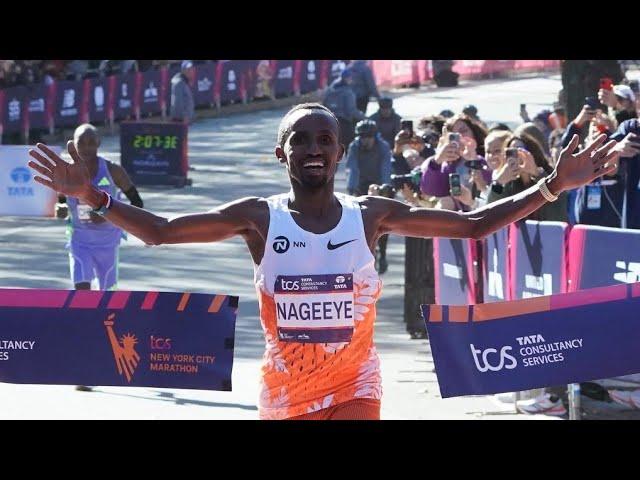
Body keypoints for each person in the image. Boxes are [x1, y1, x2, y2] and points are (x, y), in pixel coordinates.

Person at [28, 102, 619, 420]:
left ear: (338, 151)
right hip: (284, 395)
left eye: (323, 139)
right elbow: (159, 232)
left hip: (355, 387)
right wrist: (93, 197)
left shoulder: (370, 214)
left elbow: (471, 225)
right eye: (301, 139)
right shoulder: (259, 217)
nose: (313, 148)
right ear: (281, 152)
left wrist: (551, 187)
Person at [52, 124, 144, 392]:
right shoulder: (66, 171)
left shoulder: (112, 170)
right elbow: (59, 201)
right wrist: (60, 210)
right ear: (75, 144)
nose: (88, 149)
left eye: (92, 143)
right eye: (83, 143)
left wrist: (108, 211)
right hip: (79, 244)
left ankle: (106, 358)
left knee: (107, 305)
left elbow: (137, 203)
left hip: (107, 246)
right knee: (82, 300)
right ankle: (84, 365)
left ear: (99, 143)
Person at [345, 120, 392, 197]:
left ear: (375, 136)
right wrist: (351, 189)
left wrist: (386, 187)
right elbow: (352, 169)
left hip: (378, 184)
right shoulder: (354, 147)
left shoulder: (383, 147)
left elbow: (386, 168)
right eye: (363, 136)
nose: (366, 139)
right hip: (360, 185)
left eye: (370, 136)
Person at [323, 68, 364, 149]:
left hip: (329, 122)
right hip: (344, 124)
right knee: (351, 146)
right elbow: (351, 111)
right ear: (348, 78)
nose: (352, 80)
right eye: (351, 78)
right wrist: (364, 117)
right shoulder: (348, 92)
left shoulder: (330, 89)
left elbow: (324, 104)